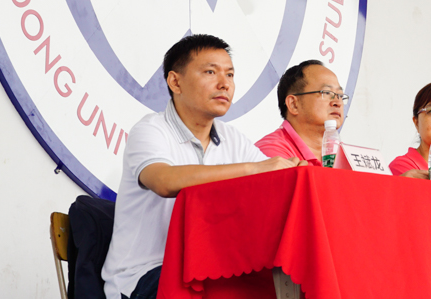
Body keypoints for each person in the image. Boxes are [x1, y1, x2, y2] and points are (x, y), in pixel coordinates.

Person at [101, 34, 304, 299]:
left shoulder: (232, 138)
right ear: (175, 82)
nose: (224, 84)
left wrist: (294, 172)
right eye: (210, 72)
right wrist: (254, 170)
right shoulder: (150, 130)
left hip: (209, 270)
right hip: (146, 275)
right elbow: (164, 181)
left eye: (230, 75)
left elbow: (276, 183)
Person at [256, 59, 347, 165]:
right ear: (294, 104)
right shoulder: (270, 154)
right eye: (326, 92)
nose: (338, 103)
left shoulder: (344, 154)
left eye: (340, 95)